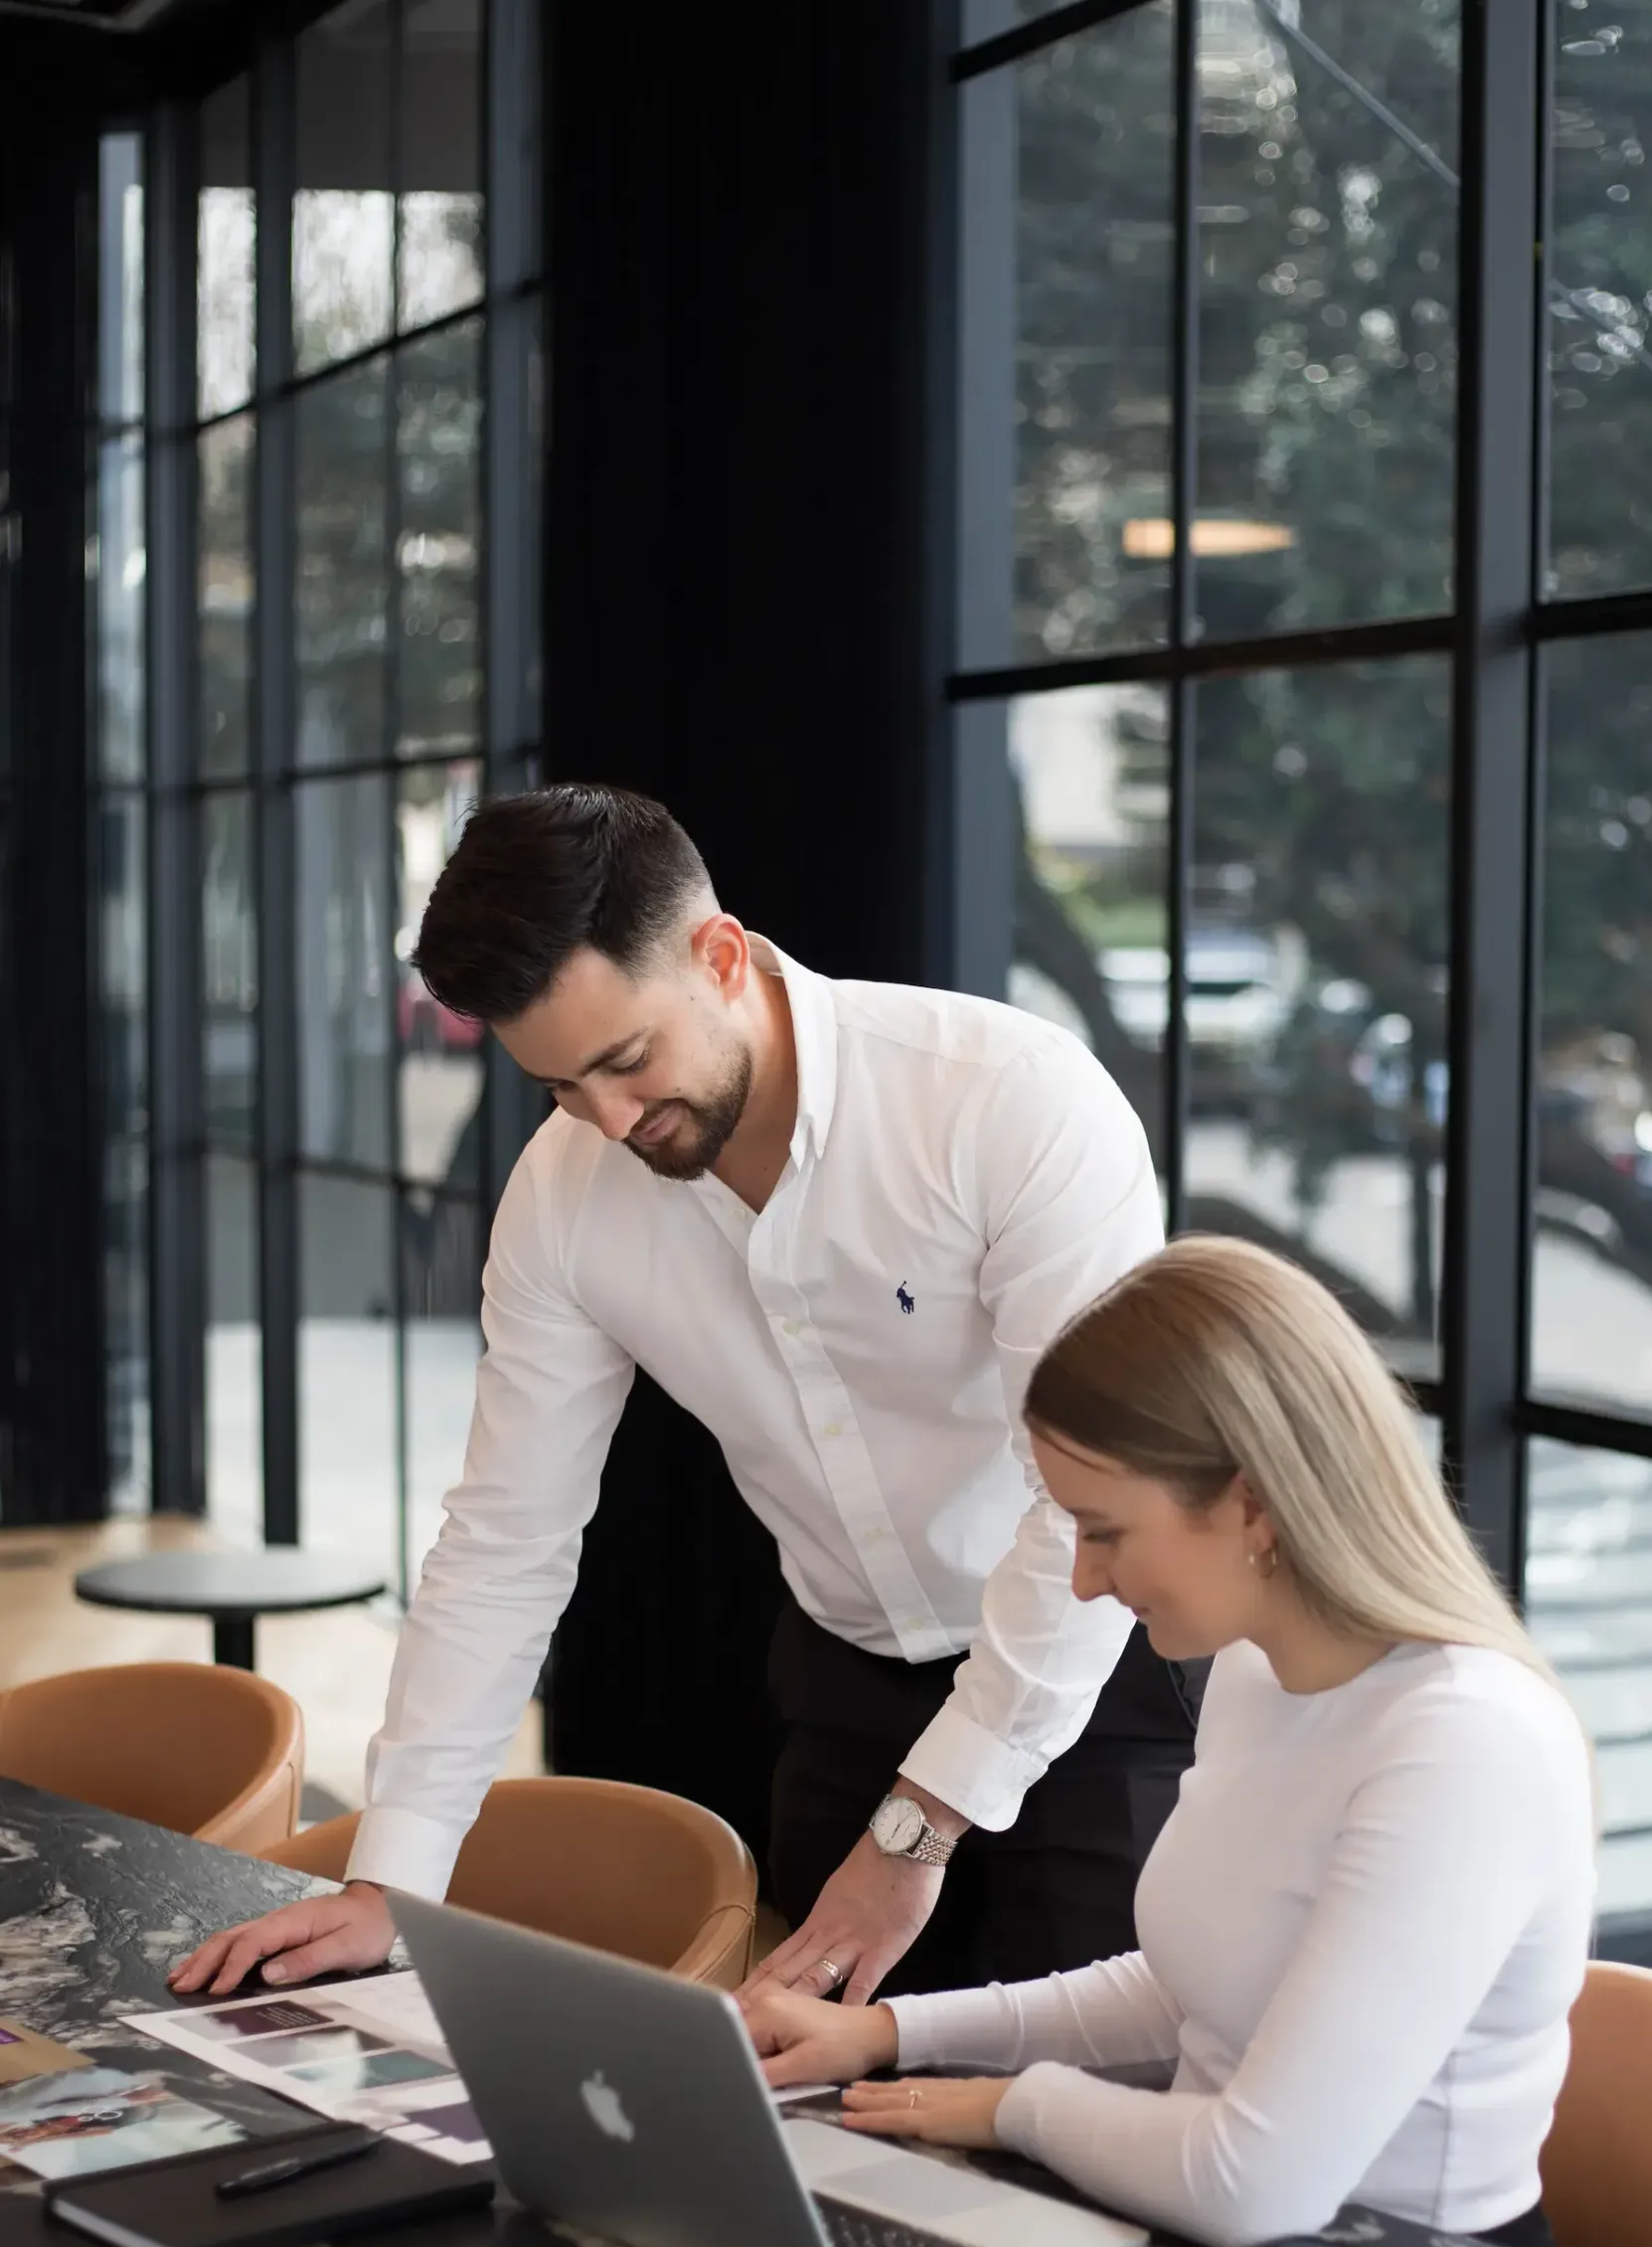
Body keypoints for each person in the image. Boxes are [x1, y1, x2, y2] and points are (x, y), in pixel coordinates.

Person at [171, 785, 1203, 2006]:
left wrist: (920, 1828)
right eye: (558, 1088)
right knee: (835, 2121)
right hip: (848, 1678)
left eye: (623, 1061)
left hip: (1099, 1659)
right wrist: (391, 1880)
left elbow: (1085, 1502)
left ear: (721, 956)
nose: (606, 1122)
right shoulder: (563, 1197)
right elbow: (506, 1539)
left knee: (1087, 2116)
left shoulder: (1006, 1102)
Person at [746, 1237, 1596, 2247]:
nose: (1084, 1582)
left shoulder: (1464, 1746)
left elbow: (1254, 2186)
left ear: (1250, 1502)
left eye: (1104, 1532)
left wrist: (1006, 2107)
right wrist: (889, 2035)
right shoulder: (1254, 1670)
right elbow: (1194, 1994)